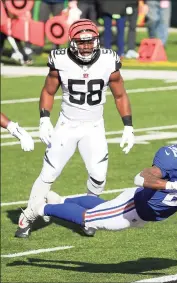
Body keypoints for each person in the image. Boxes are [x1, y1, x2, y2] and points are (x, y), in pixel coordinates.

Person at [23, 123, 177, 253]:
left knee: (101, 206)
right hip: (134, 208)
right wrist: (173, 185)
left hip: (146, 213)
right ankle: (41, 208)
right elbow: (141, 177)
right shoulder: (173, 158)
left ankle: (60, 200)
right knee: (90, 219)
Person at [15, 19, 135, 239]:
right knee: (49, 173)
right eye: (82, 42)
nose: (87, 47)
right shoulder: (60, 60)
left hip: (94, 126)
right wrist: (44, 119)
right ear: (72, 42)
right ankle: (28, 215)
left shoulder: (109, 60)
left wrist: (128, 126)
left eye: (90, 42)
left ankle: (88, 215)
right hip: (66, 125)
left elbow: (120, 94)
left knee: (98, 176)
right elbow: (48, 91)